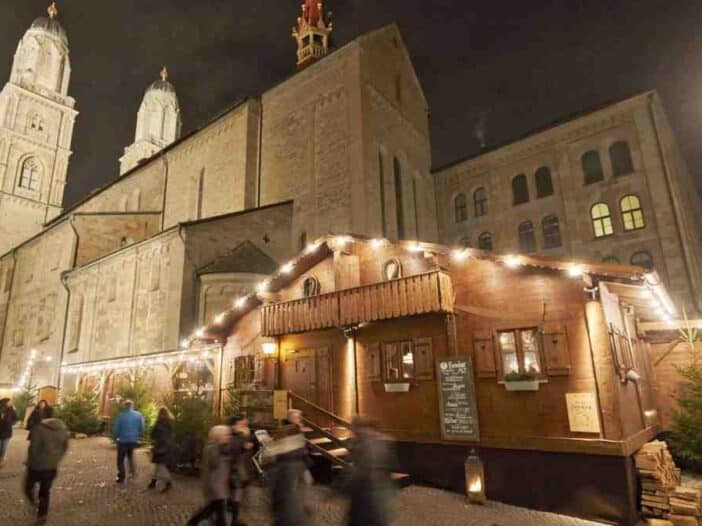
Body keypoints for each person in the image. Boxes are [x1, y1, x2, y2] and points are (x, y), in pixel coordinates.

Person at [24, 405, 70, 525]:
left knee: (28, 487)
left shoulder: (38, 428)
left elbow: (33, 448)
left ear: (43, 414)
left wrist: (30, 461)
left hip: (36, 466)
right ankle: (42, 515)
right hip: (51, 466)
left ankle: (34, 504)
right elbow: (65, 447)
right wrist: (57, 458)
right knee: (45, 492)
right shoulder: (62, 428)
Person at [345, 417, 394, 526]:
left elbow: (361, 469)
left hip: (367, 490)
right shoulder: (382, 442)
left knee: (360, 519)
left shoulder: (364, 442)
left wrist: (345, 487)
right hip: (377, 488)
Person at [267, 410, 310, 526]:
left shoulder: (295, 432)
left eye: (300, 418)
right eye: (297, 418)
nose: (299, 420)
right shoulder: (287, 431)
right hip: (288, 472)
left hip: (294, 469)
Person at [186, 425, 232, 526]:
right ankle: (192, 522)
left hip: (219, 485)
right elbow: (215, 463)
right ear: (219, 436)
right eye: (226, 435)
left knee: (216, 512)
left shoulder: (220, 448)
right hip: (214, 485)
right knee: (212, 510)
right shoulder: (212, 448)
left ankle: (193, 522)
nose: (228, 437)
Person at [228, 415, 254, 526]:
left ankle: (234, 519)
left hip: (238, 469)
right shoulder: (229, 436)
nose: (242, 426)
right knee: (225, 497)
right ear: (233, 425)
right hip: (230, 470)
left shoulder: (242, 435)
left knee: (236, 496)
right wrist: (244, 446)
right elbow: (232, 449)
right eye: (240, 424)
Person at [112, 399, 144, 484]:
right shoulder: (138, 415)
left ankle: (121, 477)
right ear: (132, 406)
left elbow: (116, 429)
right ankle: (133, 475)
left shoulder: (121, 416)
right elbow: (142, 427)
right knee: (130, 457)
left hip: (123, 440)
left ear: (125, 406)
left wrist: (115, 437)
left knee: (120, 459)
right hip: (133, 440)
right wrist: (137, 435)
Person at [148, 406, 174, 492]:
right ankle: (153, 481)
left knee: (160, 465)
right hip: (167, 446)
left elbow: (153, 434)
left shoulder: (160, 422)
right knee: (158, 465)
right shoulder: (170, 422)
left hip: (161, 446)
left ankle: (168, 482)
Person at [0, 398, 17, 468]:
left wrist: (11, 423)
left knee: (4, 447)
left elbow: (15, 419)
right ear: (5, 402)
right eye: (9, 402)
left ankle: (1, 459)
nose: (10, 403)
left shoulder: (12, 410)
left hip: (7, 431)